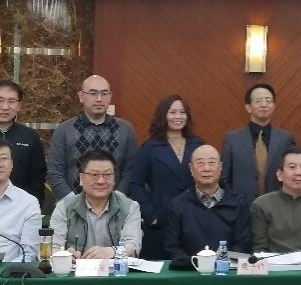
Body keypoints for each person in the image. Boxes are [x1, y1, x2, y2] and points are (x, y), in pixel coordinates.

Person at [126, 95, 204, 260]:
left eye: (182, 112)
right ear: (163, 116)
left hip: (194, 214)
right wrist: (150, 215)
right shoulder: (150, 147)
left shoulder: (198, 144)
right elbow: (135, 183)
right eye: (173, 112)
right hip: (161, 217)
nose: (178, 116)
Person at [47, 75, 138, 199]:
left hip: (115, 205)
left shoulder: (126, 130)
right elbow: (54, 172)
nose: (99, 99)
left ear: (110, 96)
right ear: (81, 96)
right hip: (72, 204)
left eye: (104, 93)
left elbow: (131, 171)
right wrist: (72, 202)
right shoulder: (64, 130)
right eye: (93, 93)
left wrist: (118, 200)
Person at [162, 144, 251, 269]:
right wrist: (195, 264)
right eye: (200, 163)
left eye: (212, 163)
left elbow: (242, 243)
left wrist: (223, 264)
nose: (206, 168)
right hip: (189, 272)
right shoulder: (177, 204)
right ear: (191, 169)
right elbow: (172, 246)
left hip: (227, 272)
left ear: (220, 168)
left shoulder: (238, 203)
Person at [50, 149, 142, 258]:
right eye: (94, 175)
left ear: (114, 178)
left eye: (107, 174)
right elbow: (52, 246)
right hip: (76, 267)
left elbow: (133, 245)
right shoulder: (64, 207)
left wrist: (111, 252)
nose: (101, 181)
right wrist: (66, 254)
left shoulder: (130, 207)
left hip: (115, 267)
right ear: (81, 178)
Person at [220, 83, 294, 204]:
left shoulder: (286, 139)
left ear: (274, 106)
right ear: (248, 107)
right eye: (259, 101)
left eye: (268, 100)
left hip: (279, 206)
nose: (264, 104)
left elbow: (292, 174)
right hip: (241, 207)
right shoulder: (232, 139)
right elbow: (224, 178)